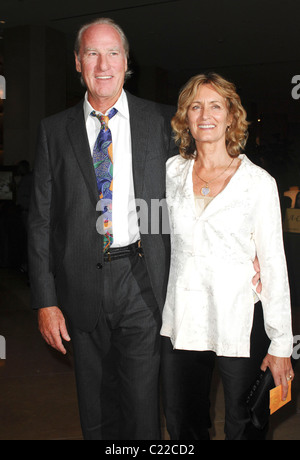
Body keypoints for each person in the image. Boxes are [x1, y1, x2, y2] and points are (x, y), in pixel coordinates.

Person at [28, 17, 177, 440]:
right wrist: (45, 300)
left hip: (143, 280)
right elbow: (40, 220)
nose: (103, 64)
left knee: (144, 409)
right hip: (80, 288)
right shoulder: (53, 131)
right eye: (92, 53)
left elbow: (198, 192)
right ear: (78, 62)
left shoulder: (162, 122)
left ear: (127, 61)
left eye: (113, 52)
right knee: (95, 411)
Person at [160, 73, 294, 441]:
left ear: (231, 116)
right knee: (182, 421)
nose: (205, 114)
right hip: (182, 319)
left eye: (215, 105)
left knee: (244, 424)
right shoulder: (170, 173)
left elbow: (273, 266)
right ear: (185, 117)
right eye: (196, 106)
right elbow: (153, 235)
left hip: (239, 319)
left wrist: (281, 343)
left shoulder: (258, 183)